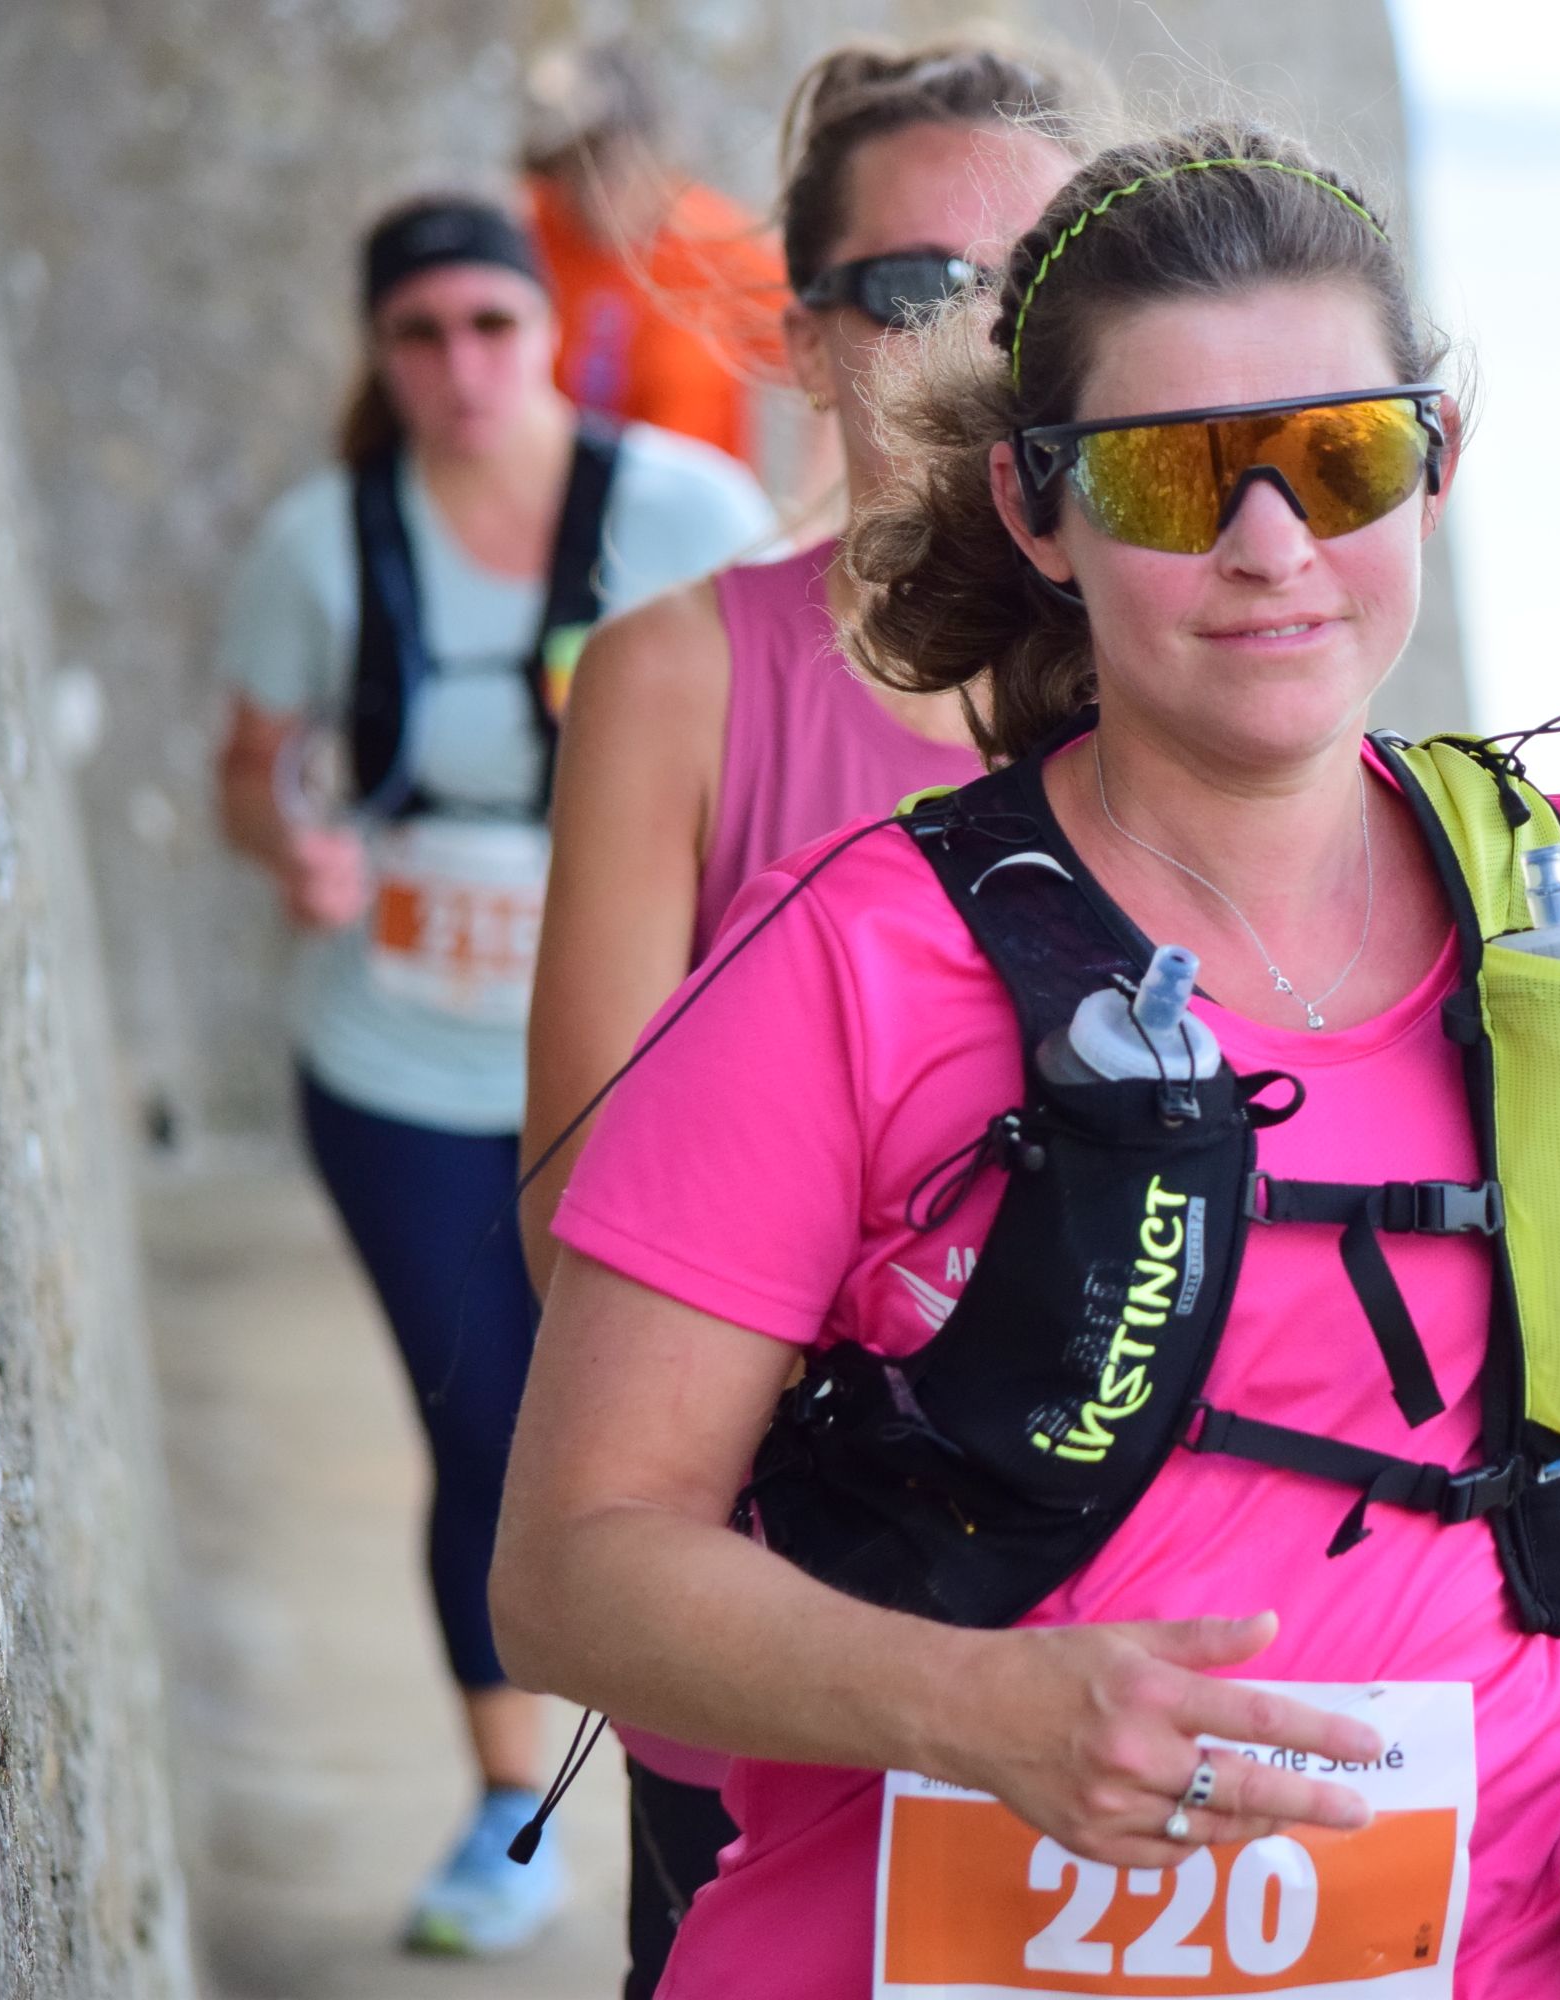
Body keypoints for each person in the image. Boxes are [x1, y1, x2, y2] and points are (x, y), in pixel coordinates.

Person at [492, 125, 1560, 1998]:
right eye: (1172, 475)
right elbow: (571, 1571)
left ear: (1435, 464)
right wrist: (972, 1708)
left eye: (1339, 455)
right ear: (1039, 510)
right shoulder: (847, 960)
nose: (1272, 544)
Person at [514, 36, 1090, 1998]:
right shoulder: (683, 675)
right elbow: (576, 1204)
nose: (978, 334)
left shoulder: (1169, 664)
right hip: (791, 1636)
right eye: (914, 285)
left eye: (1033, 279)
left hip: (1137, 1632)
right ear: (804, 333)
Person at [211, 191, 776, 1957]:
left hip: (647, 1063)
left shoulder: (682, 510)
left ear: (550, 332)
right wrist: (292, 845)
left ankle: (733, 1798)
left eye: (490, 324)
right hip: (402, 1065)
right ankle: (502, 1809)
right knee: (486, 1421)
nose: (460, 366)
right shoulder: (322, 542)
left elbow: (789, 720)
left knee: (709, 1431)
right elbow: (251, 763)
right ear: (378, 355)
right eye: (419, 334)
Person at [524, 42, 788, 470]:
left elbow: (831, 353)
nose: (591, 190)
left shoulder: (715, 242)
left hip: (694, 501)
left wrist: (814, 500)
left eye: (607, 161)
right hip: (551, 501)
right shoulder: (524, 234)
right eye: (572, 165)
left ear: (650, 152)